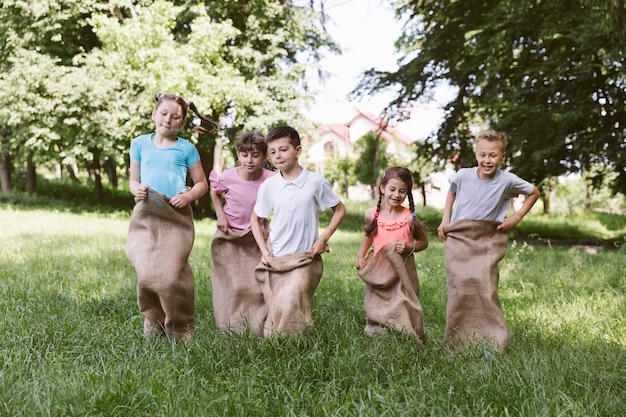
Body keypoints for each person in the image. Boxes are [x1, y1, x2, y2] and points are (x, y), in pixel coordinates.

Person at [437, 129, 540, 352]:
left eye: (493, 155)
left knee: (485, 287)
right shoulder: (463, 175)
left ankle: (491, 340)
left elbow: (534, 191)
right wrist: (445, 220)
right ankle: (457, 340)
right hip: (459, 237)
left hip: (486, 239)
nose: (487, 160)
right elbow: (452, 191)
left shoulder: (507, 180)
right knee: (459, 288)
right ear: (476, 154)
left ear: (503, 157)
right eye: (482, 155)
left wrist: (517, 217)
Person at [126, 92, 213, 341]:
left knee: (172, 274)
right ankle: (154, 323)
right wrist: (136, 189)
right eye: (164, 114)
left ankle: (180, 327)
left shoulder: (186, 148)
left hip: (175, 214)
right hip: (147, 212)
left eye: (175, 117)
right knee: (147, 272)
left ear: (182, 123)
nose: (168, 120)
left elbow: (201, 184)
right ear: (154, 114)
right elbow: (133, 180)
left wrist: (187, 197)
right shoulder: (140, 143)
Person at [251, 125, 346, 337]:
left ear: (298, 150)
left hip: (305, 256)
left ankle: (298, 340)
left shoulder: (315, 182)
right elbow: (256, 218)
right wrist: (264, 252)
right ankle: (277, 340)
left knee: (296, 297)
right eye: (273, 152)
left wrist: (323, 238)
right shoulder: (269, 185)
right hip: (277, 255)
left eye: (283, 150)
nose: (277, 156)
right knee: (279, 302)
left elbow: (339, 210)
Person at [208, 131, 274, 335]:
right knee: (232, 283)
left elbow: (281, 201)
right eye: (245, 154)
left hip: (255, 236)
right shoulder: (228, 176)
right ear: (238, 154)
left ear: (264, 157)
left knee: (254, 283)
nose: (250, 160)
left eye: (255, 155)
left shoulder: (270, 179)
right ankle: (229, 323)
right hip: (230, 235)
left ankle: (256, 322)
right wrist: (221, 216)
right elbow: (216, 194)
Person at [355, 166, 429, 343]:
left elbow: (423, 243)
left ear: (407, 193)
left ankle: (406, 331)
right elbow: (368, 235)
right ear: (382, 188)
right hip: (379, 269)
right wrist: (361, 256)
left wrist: (408, 246)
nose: (396, 194)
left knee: (403, 303)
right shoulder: (372, 214)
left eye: (402, 191)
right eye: (392, 189)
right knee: (377, 301)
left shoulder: (409, 218)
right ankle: (378, 327)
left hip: (402, 271)